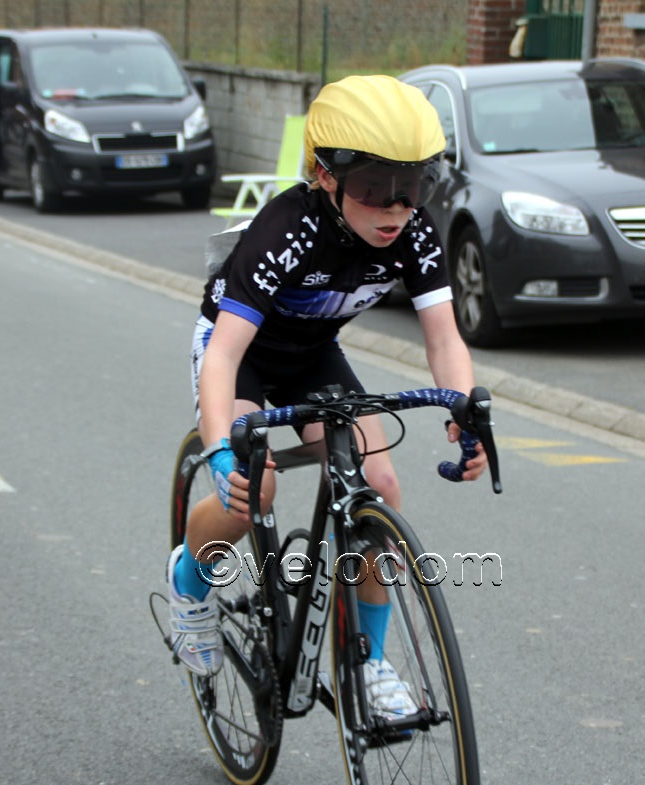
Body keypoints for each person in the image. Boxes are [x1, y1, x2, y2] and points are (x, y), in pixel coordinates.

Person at [166, 74, 488, 720]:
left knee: (379, 486)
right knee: (252, 491)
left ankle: (370, 663)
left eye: (413, 185)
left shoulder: (414, 233)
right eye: (373, 187)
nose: (395, 208)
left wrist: (464, 408)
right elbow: (223, 355)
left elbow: (444, 338)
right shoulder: (285, 230)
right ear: (324, 175)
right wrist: (222, 452)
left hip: (311, 354)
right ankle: (189, 578)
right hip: (241, 352)